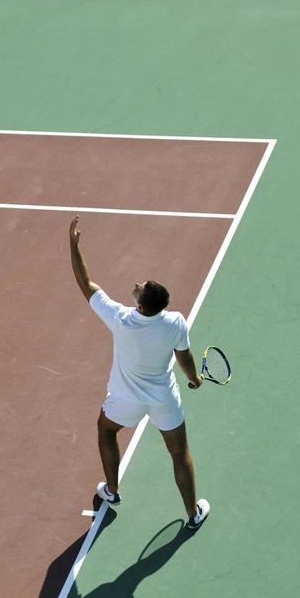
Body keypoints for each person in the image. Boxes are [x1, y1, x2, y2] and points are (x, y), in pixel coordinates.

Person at [69, 216, 210, 530]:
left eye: (140, 287)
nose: (137, 284)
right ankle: (192, 514)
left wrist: (73, 246)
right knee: (179, 452)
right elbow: (184, 358)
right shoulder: (175, 322)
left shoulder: (120, 319)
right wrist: (194, 379)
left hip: (126, 399)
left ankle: (113, 491)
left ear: (143, 306)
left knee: (106, 430)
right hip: (163, 399)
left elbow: (86, 284)